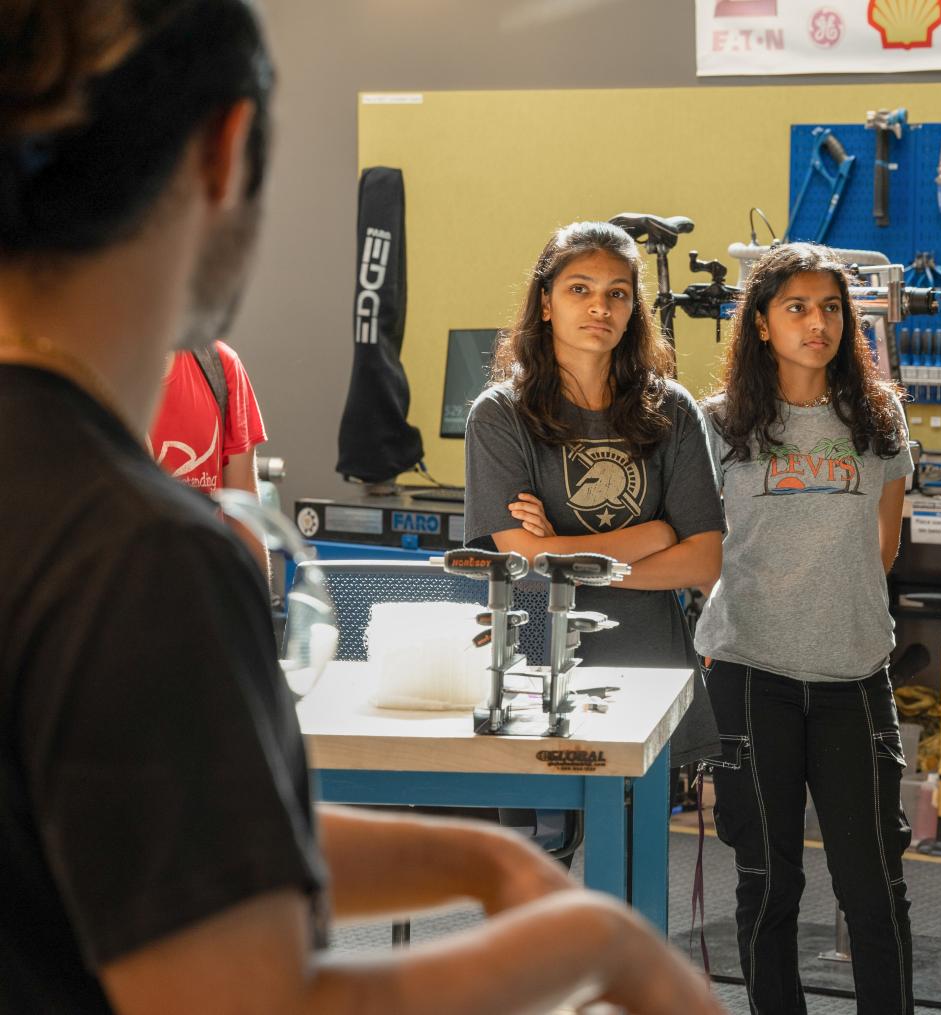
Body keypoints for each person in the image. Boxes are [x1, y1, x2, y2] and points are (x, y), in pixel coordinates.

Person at [0, 5, 724, 1014]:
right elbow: (251, 999)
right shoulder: (143, 553)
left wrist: (486, 864)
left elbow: (162, 828)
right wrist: (598, 941)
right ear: (227, 149)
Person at [695, 242, 915, 1015]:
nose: (815, 322)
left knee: (875, 888)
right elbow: (691, 543)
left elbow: (883, 547)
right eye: (795, 307)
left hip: (857, 677)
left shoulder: (878, 415)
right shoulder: (717, 423)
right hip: (753, 676)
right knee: (768, 885)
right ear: (760, 324)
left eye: (829, 308)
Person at [464, 220, 725, 766]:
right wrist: (655, 535)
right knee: (542, 845)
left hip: (647, 664)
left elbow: (704, 559)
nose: (599, 307)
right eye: (579, 289)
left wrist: (564, 549)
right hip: (535, 664)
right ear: (545, 303)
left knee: (634, 845)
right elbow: (520, 557)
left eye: (617, 295)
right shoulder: (500, 415)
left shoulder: (672, 410)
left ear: (634, 311)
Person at [150, 341, 271, 576]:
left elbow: (244, 512)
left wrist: (258, 608)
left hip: (206, 589)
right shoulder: (95, 372)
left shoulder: (219, 365)